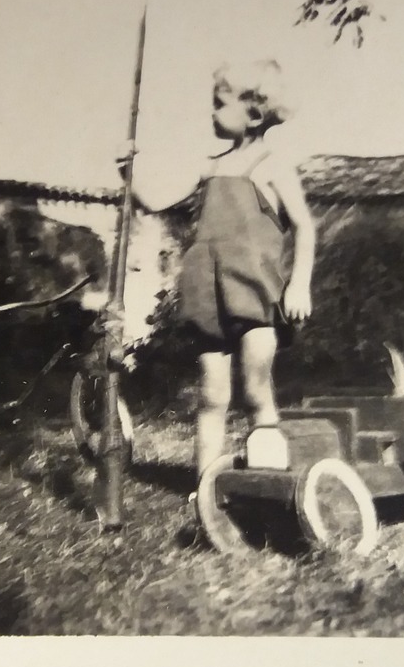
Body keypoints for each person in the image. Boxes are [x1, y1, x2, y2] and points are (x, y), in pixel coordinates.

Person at [133, 60, 316, 477]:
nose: (212, 113)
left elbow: (304, 226)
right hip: (209, 296)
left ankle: (267, 480)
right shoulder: (209, 166)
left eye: (219, 104)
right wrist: (129, 169)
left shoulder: (272, 163)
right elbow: (154, 199)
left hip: (254, 295)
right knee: (212, 395)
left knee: (255, 388)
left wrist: (299, 283)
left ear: (253, 113)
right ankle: (207, 489)